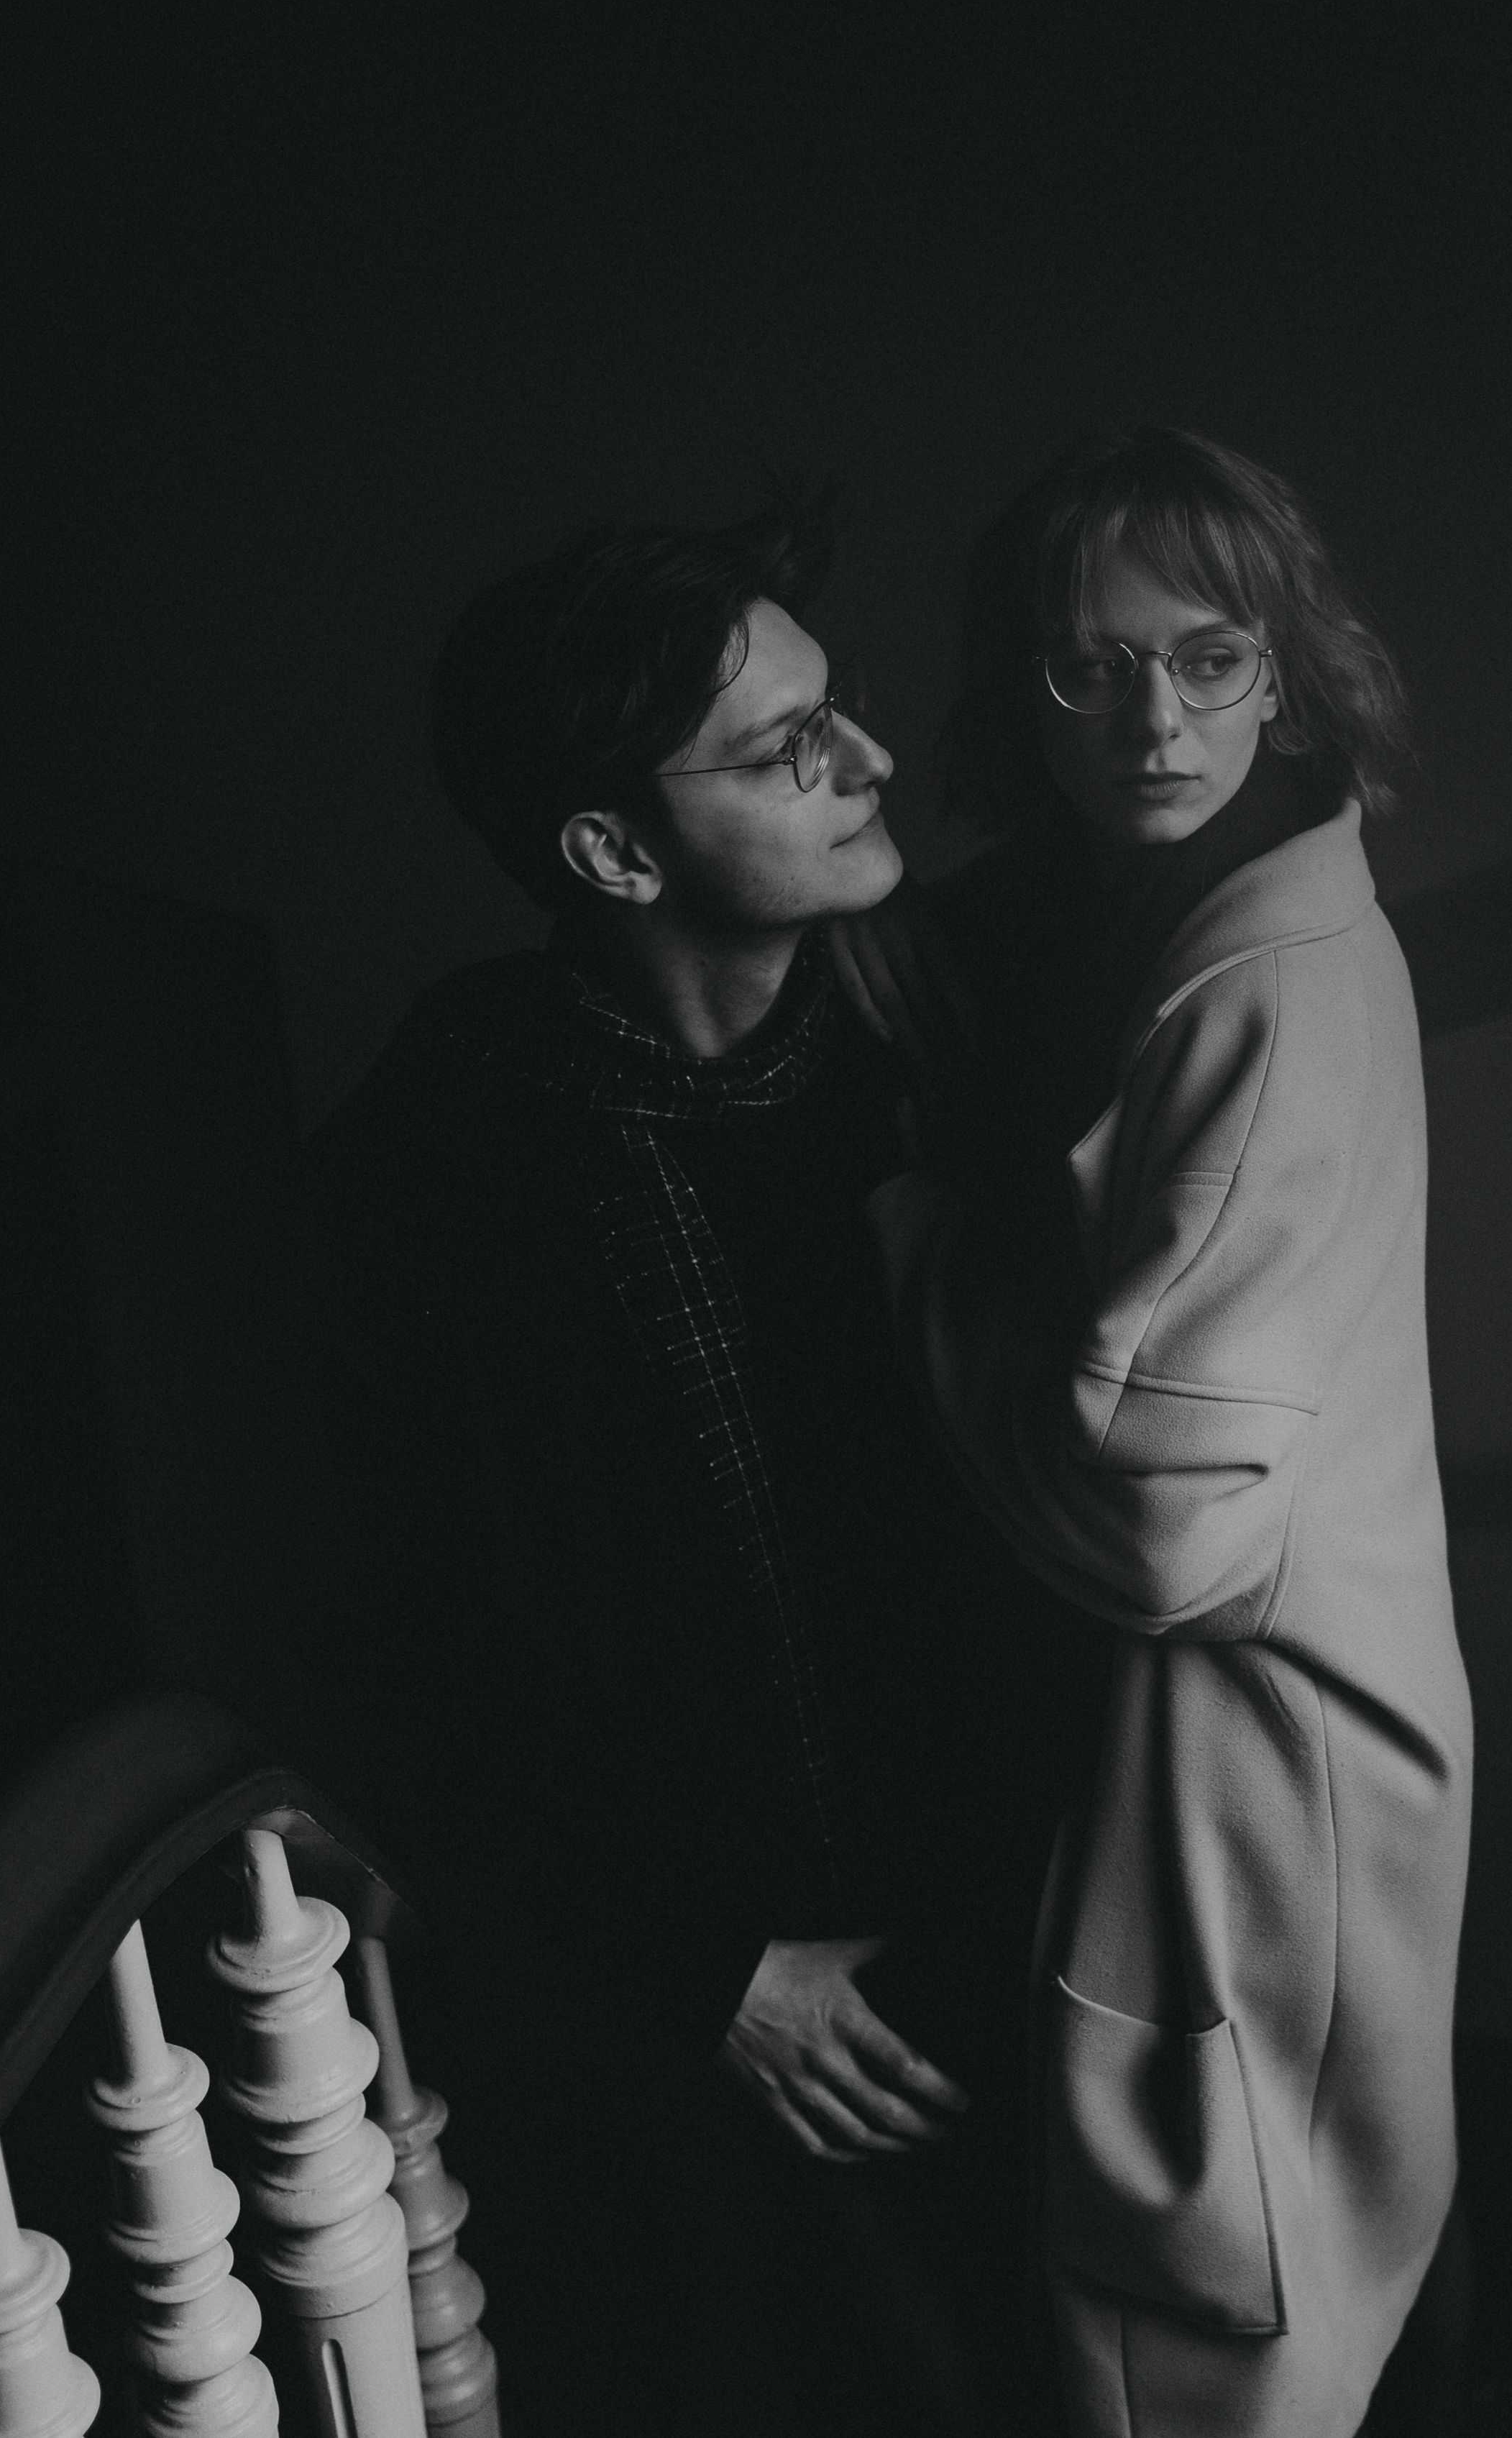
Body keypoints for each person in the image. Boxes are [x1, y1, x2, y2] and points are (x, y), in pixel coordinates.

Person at [294, 493, 1081, 2436]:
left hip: (1009, 1905)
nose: (868, 760)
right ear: (613, 850)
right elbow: (401, 1651)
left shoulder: (935, 1035)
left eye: (840, 706)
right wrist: (711, 1971)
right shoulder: (449, 1153)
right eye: (786, 745)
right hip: (694, 2002)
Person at [838, 427, 1475, 2437]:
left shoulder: (1265, 983)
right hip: (1230, 1721)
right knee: (1271, 2273)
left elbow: (1168, 1538)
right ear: (1021, 691)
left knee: (1225, 2323)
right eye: (1087, 667)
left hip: (1252, 1728)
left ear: (1286, 667)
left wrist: (919, 1249)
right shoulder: (1119, 913)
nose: (1154, 722)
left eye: (1209, 657)